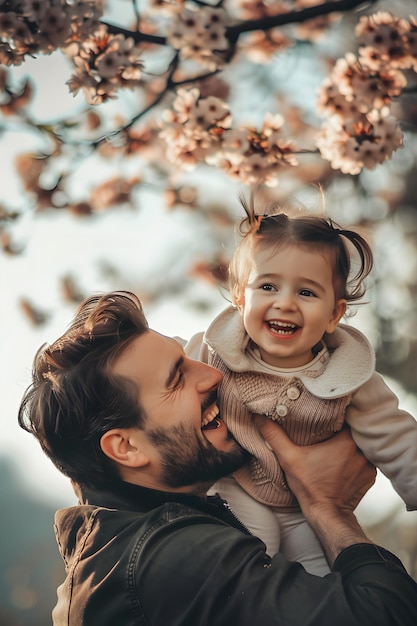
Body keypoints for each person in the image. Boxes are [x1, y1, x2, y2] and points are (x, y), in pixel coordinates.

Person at [17, 291, 417, 625]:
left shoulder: (122, 555)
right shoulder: (172, 558)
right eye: (177, 378)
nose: (212, 376)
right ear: (127, 448)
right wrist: (328, 509)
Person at [185, 196, 417, 575]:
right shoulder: (213, 351)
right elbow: (164, 378)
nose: (286, 304)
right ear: (242, 299)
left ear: (333, 314)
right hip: (237, 487)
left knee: (323, 573)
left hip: (304, 504)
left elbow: (394, 434)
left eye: (306, 292)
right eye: (269, 287)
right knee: (251, 555)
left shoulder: (349, 375)